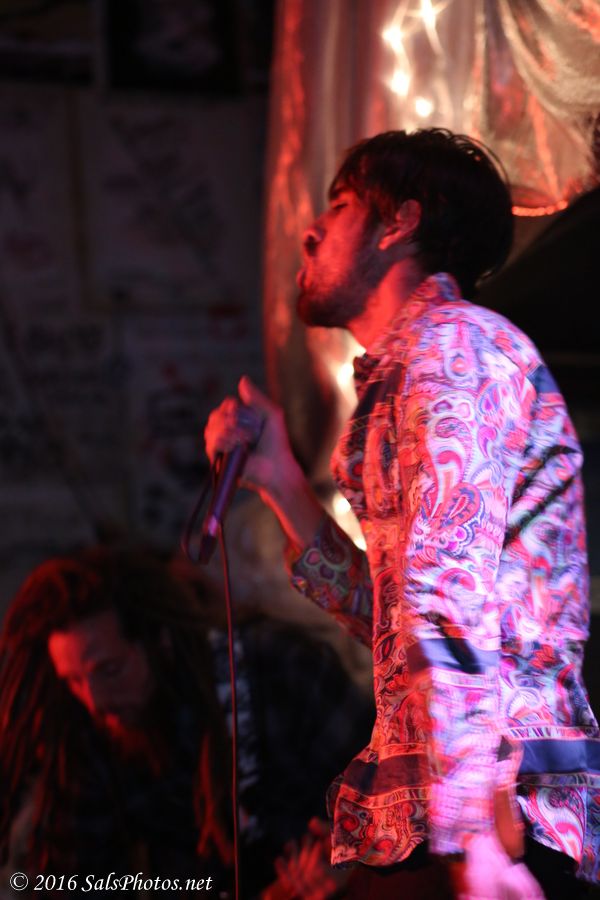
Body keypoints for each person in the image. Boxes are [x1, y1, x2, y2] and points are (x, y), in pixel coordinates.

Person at [205, 128, 600, 898]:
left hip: (499, 809)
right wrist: (281, 482)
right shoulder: (405, 376)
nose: (310, 231)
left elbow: (445, 596)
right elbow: (395, 621)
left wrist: (476, 829)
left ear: (398, 223)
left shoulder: (457, 350)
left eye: (340, 205)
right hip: (439, 808)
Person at [0, 546, 374, 898]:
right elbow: (66, 878)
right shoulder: (87, 735)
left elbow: (390, 789)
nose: (94, 700)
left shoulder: (280, 667)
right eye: (73, 680)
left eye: (110, 670)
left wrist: (351, 856)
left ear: (160, 640)